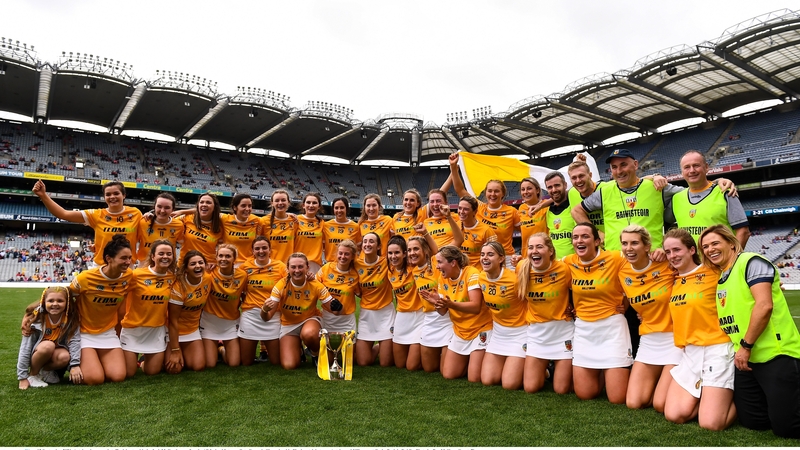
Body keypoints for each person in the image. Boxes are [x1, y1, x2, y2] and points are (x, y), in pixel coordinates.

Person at [700, 225, 800, 438]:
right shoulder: (722, 277)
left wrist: (745, 346)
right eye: (705, 246)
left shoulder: (751, 262)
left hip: (776, 353)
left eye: (715, 243)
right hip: (748, 359)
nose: (710, 249)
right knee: (754, 421)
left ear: (730, 242)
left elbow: (764, 306)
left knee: (787, 428)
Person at [661, 228, 736, 431]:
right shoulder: (673, 279)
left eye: (677, 250)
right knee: (674, 415)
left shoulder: (714, 271)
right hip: (690, 351)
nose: (672, 256)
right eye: (667, 252)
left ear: (692, 250)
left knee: (710, 424)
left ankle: (737, 397)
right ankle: (711, 399)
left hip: (717, 348)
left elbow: (741, 281)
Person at [565, 223, 631, 404]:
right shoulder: (568, 262)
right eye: (576, 237)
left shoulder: (616, 257)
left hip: (612, 327)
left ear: (597, 241)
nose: (579, 240)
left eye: (585, 236)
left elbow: (639, 269)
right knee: (585, 394)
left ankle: (611, 372)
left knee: (617, 398)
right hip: (583, 329)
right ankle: (603, 373)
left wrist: (625, 303)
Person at [618, 225, 682, 411]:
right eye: (624, 243)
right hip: (648, 339)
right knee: (634, 403)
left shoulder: (666, 263)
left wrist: (664, 252)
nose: (628, 248)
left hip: (675, 339)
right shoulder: (622, 270)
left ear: (647, 247)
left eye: (634, 243)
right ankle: (664, 385)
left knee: (660, 405)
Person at [69, 234, 134, 385]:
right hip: (84, 333)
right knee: (95, 379)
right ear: (109, 258)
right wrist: (32, 312)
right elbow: (65, 296)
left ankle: (94, 358)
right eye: (123, 258)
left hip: (107, 333)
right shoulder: (85, 278)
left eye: (130, 258)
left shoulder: (128, 276)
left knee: (118, 376)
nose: (128, 262)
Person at [421, 245, 493, 382]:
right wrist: (437, 303)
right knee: (448, 374)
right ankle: (472, 361)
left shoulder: (471, 273)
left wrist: (451, 304)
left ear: (453, 263)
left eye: (440, 262)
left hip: (480, 329)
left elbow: (475, 306)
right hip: (460, 331)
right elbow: (443, 312)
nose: (437, 267)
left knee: (474, 378)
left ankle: (478, 361)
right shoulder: (443, 278)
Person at [33, 180, 142, 266]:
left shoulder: (135, 213)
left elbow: (145, 234)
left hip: (127, 266)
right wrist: (43, 195)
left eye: (116, 193)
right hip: (102, 266)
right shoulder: (96, 214)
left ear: (124, 195)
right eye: (108, 194)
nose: (112, 197)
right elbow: (63, 214)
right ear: (104, 198)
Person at [517, 233, 573, 394]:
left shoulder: (563, 268)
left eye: (539, 247)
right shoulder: (522, 267)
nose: (534, 251)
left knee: (562, 389)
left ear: (550, 251)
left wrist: (574, 306)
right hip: (537, 333)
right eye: (531, 247)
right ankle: (547, 370)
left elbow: (579, 290)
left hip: (562, 331)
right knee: (531, 387)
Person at [449, 153, 520, 268]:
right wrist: (453, 168)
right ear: (485, 192)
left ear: (503, 194)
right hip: (485, 259)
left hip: (506, 259)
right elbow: (460, 189)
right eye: (490, 191)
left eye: (496, 191)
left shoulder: (512, 211)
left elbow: (527, 230)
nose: (493, 194)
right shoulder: (479, 207)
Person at [667, 150, 750, 246]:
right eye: (687, 167)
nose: (692, 170)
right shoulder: (676, 198)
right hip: (691, 261)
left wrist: (733, 259)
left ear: (706, 167)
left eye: (696, 165)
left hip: (720, 259)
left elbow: (743, 232)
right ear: (682, 172)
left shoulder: (725, 192)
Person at [120, 240, 176, 377]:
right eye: (161, 253)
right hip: (133, 329)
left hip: (156, 330)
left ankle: (143, 360)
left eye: (169, 254)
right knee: (129, 373)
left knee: (153, 372)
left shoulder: (173, 277)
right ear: (153, 257)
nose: (165, 256)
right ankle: (134, 360)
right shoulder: (136, 275)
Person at [263, 252, 329, 370]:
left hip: (310, 320)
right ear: (288, 268)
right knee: (289, 365)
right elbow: (266, 317)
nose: (297, 270)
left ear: (307, 267)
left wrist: (336, 305)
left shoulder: (314, 283)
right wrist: (264, 309)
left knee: (308, 334)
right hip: (289, 325)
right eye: (293, 267)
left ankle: (315, 353)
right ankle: (298, 349)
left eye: (300, 266)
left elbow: (330, 305)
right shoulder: (281, 285)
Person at [479, 242, 526, 390]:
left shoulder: (515, 279)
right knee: (488, 380)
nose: (485, 258)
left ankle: (542, 369)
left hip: (520, 332)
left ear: (501, 259)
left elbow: (532, 302)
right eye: (482, 254)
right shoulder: (481, 278)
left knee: (509, 384)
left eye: (490, 254)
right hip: (499, 334)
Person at [17, 287, 82, 389]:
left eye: (60, 301)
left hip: (54, 355)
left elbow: (74, 341)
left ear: (67, 303)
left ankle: (45, 371)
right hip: (38, 354)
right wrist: (22, 377)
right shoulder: (36, 318)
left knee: (64, 356)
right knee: (48, 345)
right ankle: (32, 375)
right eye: (50, 301)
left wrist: (75, 364)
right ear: (43, 301)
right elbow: (25, 348)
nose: (55, 304)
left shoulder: (70, 319)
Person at [238, 237, 287, 366]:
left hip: (272, 315)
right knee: (246, 362)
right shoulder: (245, 267)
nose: (261, 251)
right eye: (257, 248)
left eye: (264, 248)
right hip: (250, 316)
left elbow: (292, 281)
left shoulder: (280, 266)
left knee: (277, 362)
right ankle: (222, 349)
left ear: (270, 250)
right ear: (252, 251)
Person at [409, 235, 450, 373]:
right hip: (429, 319)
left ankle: (454, 356)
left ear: (425, 250)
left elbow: (437, 251)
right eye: (409, 250)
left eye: (416, 249)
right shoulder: (414, 270)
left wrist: (425, 233)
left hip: (447, 317)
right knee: (429, 368)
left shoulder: (435, 263)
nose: (412, 253)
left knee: (446, 370)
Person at [201, 244, 247, 368]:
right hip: (209, 322)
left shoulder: (242, 276)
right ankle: (214, 348)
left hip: (230, 323)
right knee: (210, 364)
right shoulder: (209, 273)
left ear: (234, 259)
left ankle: (221, 349)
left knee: (234, 363)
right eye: (220, 256)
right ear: (216, 257)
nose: (223, 259)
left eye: (228, 256)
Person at [166, 250, 212, 374]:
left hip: (192, 330)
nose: (197, 266)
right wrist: (175, 349)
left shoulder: (207, 279)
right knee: (174, 370)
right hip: (173, 331)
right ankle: (147, 358)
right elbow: (172, 321)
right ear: (186, 268)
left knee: (198, 366)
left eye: (200, 263)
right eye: (193, 264)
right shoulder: (179, 287)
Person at [354, 232, 395, 367]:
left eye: (371, 241)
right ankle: (379, 347)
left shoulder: (387, 261)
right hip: (367, 314)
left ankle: (382, 346)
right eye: (365, 241)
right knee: (364, 362)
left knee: (385, 363)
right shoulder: (356, 264)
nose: (367, 244)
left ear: (378, 246)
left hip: (385, 313)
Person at [387, 235, 424, 371]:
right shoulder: (389, 271)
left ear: (404, 254)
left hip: (419, 316)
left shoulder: (414, 267)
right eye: (390, 253)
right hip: (402, 317)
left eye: (397, 252)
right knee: (400, 364)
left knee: (411, 366)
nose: (393, 256)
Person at [317, 240, 360, 335]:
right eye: (340, 253)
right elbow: (314, 287)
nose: (343, 257)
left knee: (348, 349)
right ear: (337, 254)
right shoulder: (326, 268)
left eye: (347, 254)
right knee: (327, 348)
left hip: (347, 320)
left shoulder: (356, 274)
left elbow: (361, 293)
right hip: (327, 317)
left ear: (353, 256)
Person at [136, 193, 184, 264]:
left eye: (167, 208)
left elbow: (184, 243)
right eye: (159, 206)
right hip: (144, 265)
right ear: (154, 207)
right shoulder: (143, 222)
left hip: (167, 266)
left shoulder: (178, 225)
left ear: (173, 210)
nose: (162, 211)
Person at [182, 193, 224, 264]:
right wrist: (182, 211)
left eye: (208, 202)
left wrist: (216, 262)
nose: (204, 204)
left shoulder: (222, 225)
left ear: (214, 207)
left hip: (207, 267)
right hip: (185, 264)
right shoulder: (186, 218)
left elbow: (222, 249)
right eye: (201, 202)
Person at [457, 195, 497, 268]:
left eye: (466, 209)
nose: (461, 212)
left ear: (475, 212)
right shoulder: (455, 226)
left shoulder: (486, 230)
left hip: (478, 273)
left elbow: (494, 255)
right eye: (459, 208)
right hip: (459, 273)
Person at [544, 171, 575, 258]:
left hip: (576, 263)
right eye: (550, 187)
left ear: (565, 185)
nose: (554, 190)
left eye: (557, 185)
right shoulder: (547, 211)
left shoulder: (575, 204)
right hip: (557, 266)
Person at [261, 189, 297, 264]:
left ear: (288, 202)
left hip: (289, 266)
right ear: (272, 203)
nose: (280, 203)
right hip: (270, 265)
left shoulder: (294, 221)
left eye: (283, 200)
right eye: (277, 200)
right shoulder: (263, 221)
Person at [323, 197, 361, 261]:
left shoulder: (355, 226)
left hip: (348, 264)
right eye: (336, 208)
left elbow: (358, 248)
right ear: (333, 209)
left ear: (346, 209)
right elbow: (323, 246)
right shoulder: (326, 225)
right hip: (331, 264)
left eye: (342, 207)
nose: (339, 210)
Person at [294, 192, 325, 272]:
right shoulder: (295, 220)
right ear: (303, 205)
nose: (311, 205)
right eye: (308, 202)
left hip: (314, 265)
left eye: (314, 203)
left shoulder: (322, 223)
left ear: (319, 206)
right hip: (297, 262)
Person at [518, 177, 548, 258]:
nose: (526, 192)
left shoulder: (546, 205)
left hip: (544, 254)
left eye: (529, 188)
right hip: (527, 255)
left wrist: (540, 206)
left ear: (537, 190)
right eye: (523, 189)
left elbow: (561, 197)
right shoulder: (521, 208)